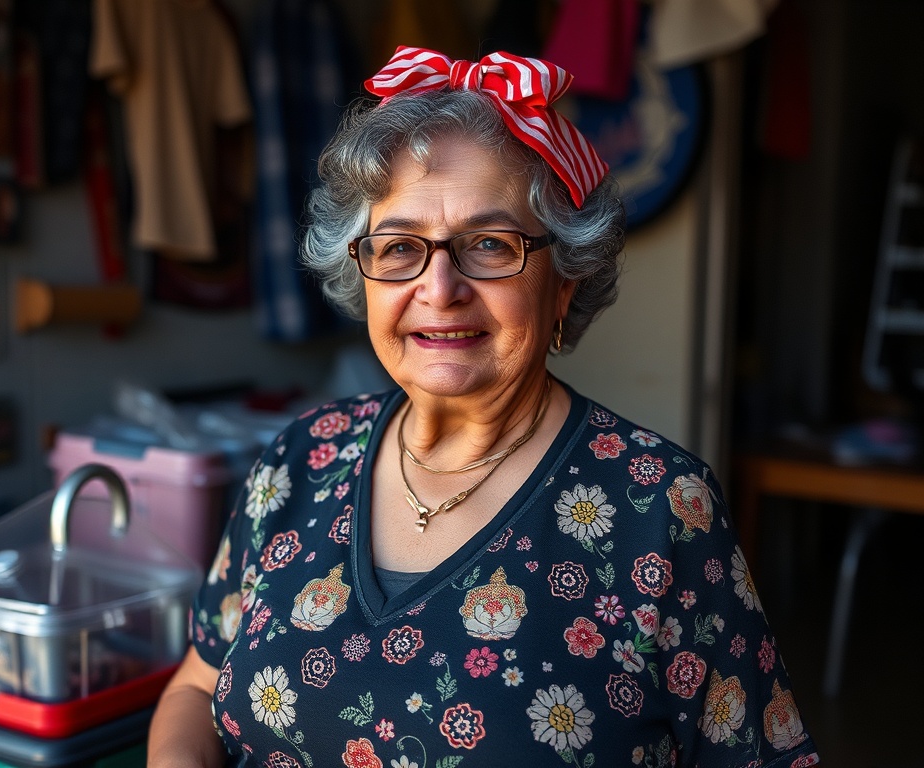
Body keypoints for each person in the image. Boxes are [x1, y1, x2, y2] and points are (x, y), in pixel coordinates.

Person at [148, 46, 820, 767]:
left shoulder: (659, 510)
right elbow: (196, 687)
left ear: (564, 279)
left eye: (490, 245)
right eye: (400, 247)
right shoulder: (298, 462)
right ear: (362, 271)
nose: (440, 288)